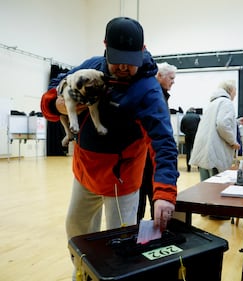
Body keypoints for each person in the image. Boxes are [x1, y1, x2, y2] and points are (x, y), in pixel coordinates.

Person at [40, 17, 179, 279]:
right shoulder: (91, 67)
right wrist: (54, 103)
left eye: (131, 60)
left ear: (142, 50)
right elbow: (56, 85)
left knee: (120, 247)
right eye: (117, 59)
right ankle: (82, 275)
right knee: (78, 234)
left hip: (122, 182)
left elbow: (164, 144)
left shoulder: (148, 91)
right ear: (105, 47)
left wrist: (164, 193)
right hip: (84, 174)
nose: (124, 66)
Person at [137, 62, 177, 221]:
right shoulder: (153, 96)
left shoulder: (161, 95)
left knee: (153, 201)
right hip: (146, 159)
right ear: (159, 76)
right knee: (141, 203)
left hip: (152, 159)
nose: (173, 81)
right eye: (171, 78)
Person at [189, 80, 240, 181]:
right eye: (235, 91)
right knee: (216, 188)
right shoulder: (226, 102)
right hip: (216, 152)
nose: (235, 94)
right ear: (230, 90)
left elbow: (216, 123)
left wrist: (236, 122)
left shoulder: (213, 103)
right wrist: (233, 142)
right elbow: (222, 124)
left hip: (205, 152)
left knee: (205, 188)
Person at [180, 107, 201, 172]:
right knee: (197, 152)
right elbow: (201, 127)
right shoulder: (197, 117)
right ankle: (198, 167)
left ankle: (188, 168)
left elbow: (181, 128)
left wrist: (186, 132)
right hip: (196, 136)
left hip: (187, 136)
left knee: (188, 151)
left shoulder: (184, 117)